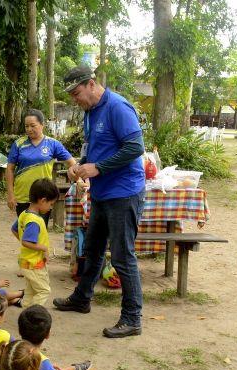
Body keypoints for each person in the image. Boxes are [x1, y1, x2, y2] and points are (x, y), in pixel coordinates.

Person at [53, 65, 146, 339]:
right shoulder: (90, 113)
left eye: (77, 93)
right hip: (103, 194)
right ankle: (82, 298)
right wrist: (80, 166)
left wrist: (99, 168)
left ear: (91, 84)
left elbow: (135, 148)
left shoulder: (118, 107)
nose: (75, 100)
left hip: (124, 192)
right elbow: (93, 150)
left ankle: (132, 318)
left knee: (121, 256)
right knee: (92, 250)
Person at [5, 108, 77, 226]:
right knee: (25, 232)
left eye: (33, 125)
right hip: (22, 196)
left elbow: (72, 163)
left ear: (42, 125)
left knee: (40, 230)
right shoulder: (18, 144)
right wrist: (10, 194)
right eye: (26, 126)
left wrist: (77, 178)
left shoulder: (53, 144)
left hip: (44, 197)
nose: (29, 129)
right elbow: (9, 169)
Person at [11, 178, 60, 307]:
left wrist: (25, 240)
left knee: (30, 292)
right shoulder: (34, 220)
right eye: (51, 204)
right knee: (44, 290)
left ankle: (26, 315)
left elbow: (14, 229)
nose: (51, 207)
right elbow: (27, 242)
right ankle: (34, 316)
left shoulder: (24, 214)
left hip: (25, 262)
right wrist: (43, 248)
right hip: (34, 264)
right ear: (43, 200)